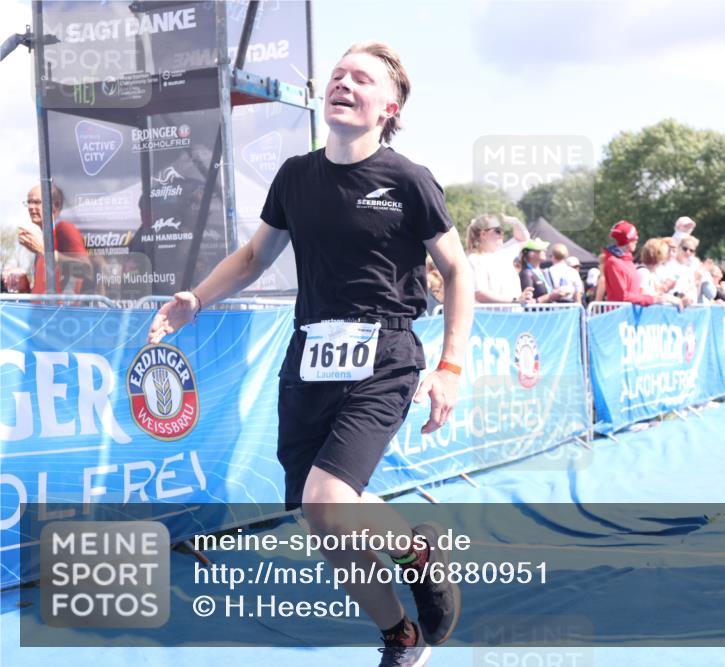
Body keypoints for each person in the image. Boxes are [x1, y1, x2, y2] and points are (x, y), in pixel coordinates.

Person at [148, 42, 472, 666]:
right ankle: (401, 633)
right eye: (338, 74)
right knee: (321, 519)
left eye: (362, 79)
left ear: (389, 106)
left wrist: (451, 366)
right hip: (309, 357)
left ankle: (417, 556)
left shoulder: (408, 179)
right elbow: (253, 257)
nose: (343, 83)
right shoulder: (296, 175)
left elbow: (456, 271)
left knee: (327, 499)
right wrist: (196, 298)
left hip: (385, 353)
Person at [18, 183, 91, 295]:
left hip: (60, 311)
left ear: (55, 205)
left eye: (37, 202)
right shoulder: (44, 238)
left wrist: (45, 252)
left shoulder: (64, 229)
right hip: (43, 310)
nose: (31, 207)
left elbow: (87, 269)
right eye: (29, 202)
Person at [602, 220, 676, 306]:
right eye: (634, 238)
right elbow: (622, 296)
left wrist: (659, 296)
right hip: (619, 315)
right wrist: (653, 299)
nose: (637, 241)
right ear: (626, 240)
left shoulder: (628, 261)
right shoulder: (613, 262)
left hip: (630, 313)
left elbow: (636, 292)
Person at [466, 213, 534, 304]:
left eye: (502, 230)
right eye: (498, 231)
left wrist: (515, 221)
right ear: (483, 234)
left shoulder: (505, 252)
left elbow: (525, 239)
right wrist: (515, 301)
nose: (502, 234)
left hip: (512, 313)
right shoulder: (474, 259)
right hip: (490, 316)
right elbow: (480, 294)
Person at [518, 238, 571, 304]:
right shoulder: (526, 273)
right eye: (541, 250)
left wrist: (557, 293)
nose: (545, 251)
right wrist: (550, 296)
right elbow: (528, 302)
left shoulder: (542, 272)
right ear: (531, 254)